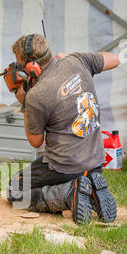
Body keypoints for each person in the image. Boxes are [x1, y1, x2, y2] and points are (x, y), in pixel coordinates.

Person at [7, 33, 120, 224]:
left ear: (31, 67)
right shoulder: (77, 60)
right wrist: (69, 57)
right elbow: (115, 60)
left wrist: (25, 101)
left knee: (15, 189)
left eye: (20, 64)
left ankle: (69, 193)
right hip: (95, 160)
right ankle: (90, 187)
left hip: (65, 166)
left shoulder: (37, 96)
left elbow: (35, 142)